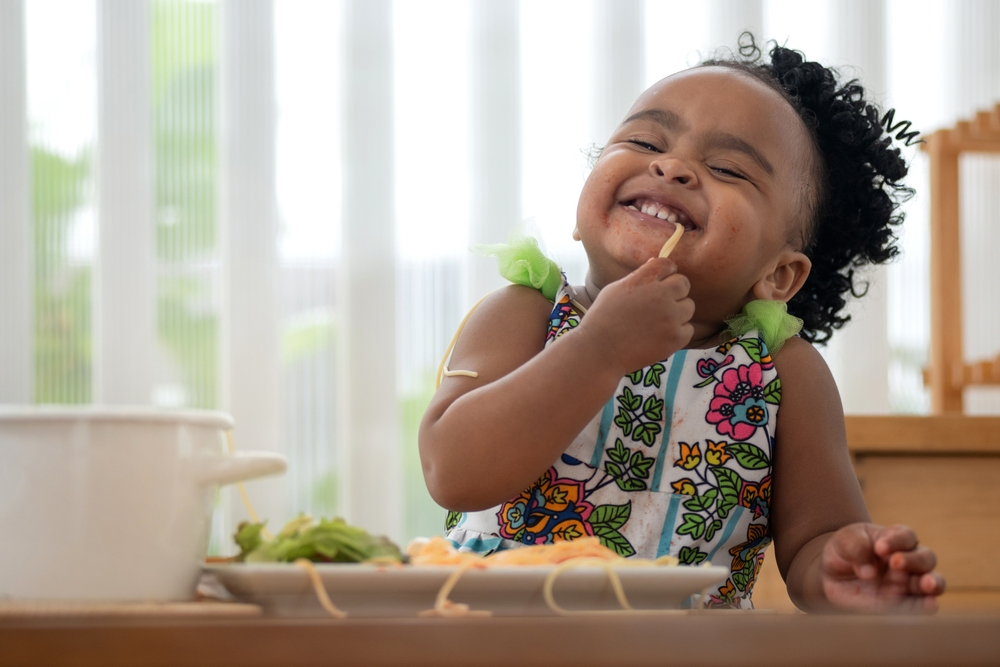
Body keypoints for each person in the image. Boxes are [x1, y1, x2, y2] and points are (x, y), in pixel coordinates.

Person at [418, 37, 945, 612]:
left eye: (726, 168)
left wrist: (851, 570)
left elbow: (816, 540)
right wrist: (599, 348)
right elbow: (453, 470)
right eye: (645, 141)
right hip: (496, 643)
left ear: (779, 276)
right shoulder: (526, 314)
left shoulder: (784, 375)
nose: (671, 167)